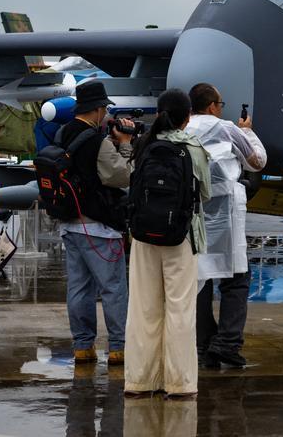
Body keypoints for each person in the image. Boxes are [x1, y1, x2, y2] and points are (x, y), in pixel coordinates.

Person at [124, 89, 211, 399]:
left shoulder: (143, 145)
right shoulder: (193, 147)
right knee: (180, 310)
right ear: (187, 117)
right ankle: (180, 384)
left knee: (142, 308)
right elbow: (205, 193)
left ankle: (139, 381)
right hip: (181, 236)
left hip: (143, 236)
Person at [187, 83, 266, 369]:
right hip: (227, 212)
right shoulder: (226, 128)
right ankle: (228, 342)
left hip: (195, 213)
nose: (222, 108)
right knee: (237, 278)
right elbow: (257, 161)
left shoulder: (183, 130)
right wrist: (248, 131)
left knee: (200, 278)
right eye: (220, 103)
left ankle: (204, 343)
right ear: (211, 106)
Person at [56, 81, 134, 366]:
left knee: (78, 287)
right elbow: (121, 176)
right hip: (98, 226)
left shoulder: (63, 133)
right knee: (113, 287)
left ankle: (82, 346)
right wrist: (125, 146)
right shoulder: (96, 140)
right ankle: (118, 347)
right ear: (99, 109)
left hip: (69, 222)